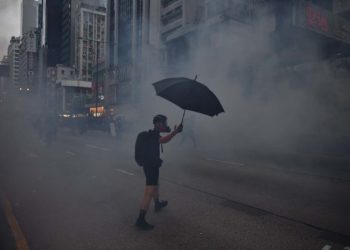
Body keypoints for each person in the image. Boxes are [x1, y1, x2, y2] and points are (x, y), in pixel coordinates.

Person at [135, 114, 183, 230]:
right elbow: (163, 140)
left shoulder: (152, 134)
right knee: (149, 191)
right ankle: (140, 220)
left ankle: (157, 204)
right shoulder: (152, 136)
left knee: (155, 185)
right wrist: (175, 132)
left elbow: (161, 139)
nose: (165, 125)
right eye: (164, 123)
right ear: (157, 123)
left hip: (152, 165)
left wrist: (174, 131)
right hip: (150, 166)